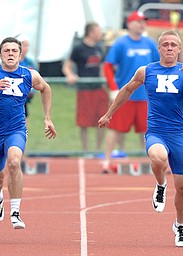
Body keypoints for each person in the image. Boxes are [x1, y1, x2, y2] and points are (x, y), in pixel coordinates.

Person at [98, 30, 183, 247]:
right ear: (159, 49)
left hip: (177, 134)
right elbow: (126, 90)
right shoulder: (146, 71)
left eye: (174, 45)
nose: (170, 48)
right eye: (165, 45)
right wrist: (109, 114)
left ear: (179, 49)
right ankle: (160, 184)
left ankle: (179, 226)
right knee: (158, 157)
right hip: (155, 132)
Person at [0, 37, 56, 229]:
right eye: (6, 51)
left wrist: (47, 117)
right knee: (0, 175)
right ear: (0, 54)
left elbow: (46, 88)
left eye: (14, 51)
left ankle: (15, 212)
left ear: (20, 54)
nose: (10, 54)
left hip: (15, 129)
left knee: (14, 162)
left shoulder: (28, 75)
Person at [101, 10, 160, 173]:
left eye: (143, 22)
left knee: (149, 130)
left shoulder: (149, 43)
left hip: (146, 96)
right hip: (125, 95)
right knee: (115, 128)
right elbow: (107, 66)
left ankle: (155, 161)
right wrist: (114, 88)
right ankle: (107, 160)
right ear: (129, 24)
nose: (142, 25)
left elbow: (158, 64)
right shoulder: (121, 43)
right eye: (138, 21)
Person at [62, 22, 108, 152]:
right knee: (84, 122)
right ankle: (86, 150)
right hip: (85, 89)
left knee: (102, 120)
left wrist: (105, 82)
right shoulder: (79, 48)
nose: (100, 34)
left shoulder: (99, 48)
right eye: (98, 31)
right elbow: (66, 66)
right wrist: (71, 75)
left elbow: (102, 67)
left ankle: (98, 149)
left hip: (98, 88)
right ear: (91, 32)